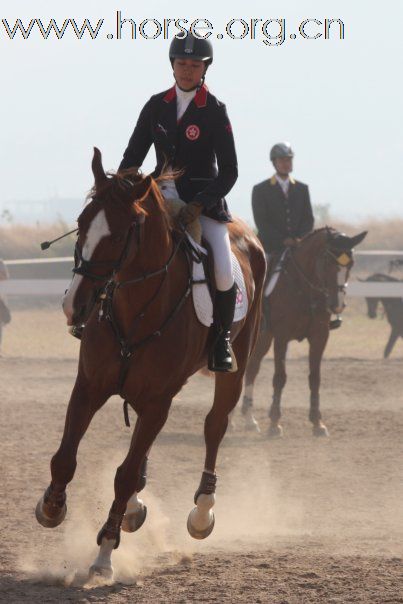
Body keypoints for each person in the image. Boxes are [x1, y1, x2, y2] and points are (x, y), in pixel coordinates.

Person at [119, 32, 239, 371]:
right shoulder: (156, 105)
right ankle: (96, 313)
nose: (187, 70)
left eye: (194, 65)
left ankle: (221, 341)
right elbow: (132, 158)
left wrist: (199, 205)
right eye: (182, 63)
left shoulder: (215, 111)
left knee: (223, 268)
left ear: (205, 68)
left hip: (203, 202)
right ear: (172, 65)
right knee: (118, 241)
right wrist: (122, 189)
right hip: (160, 195)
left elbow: (230, 171)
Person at [251, 142, 314, 257]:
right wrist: (283, 240)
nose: (286, 164)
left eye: (288, 160)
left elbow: (308, 219)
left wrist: (299, 238)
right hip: (270, 248)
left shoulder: (302, 189)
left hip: (297, 247)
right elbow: (261, 222)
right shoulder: (261, 190)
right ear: (274, 163)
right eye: (282, 160)